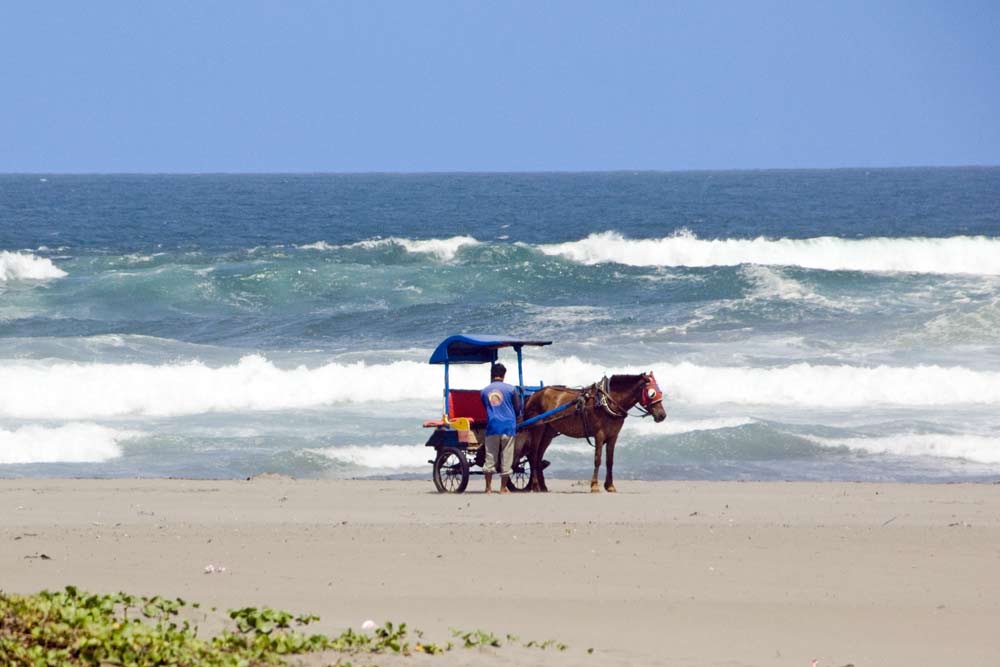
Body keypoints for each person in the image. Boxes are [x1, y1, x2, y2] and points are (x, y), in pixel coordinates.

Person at [480, 362, 521, 494]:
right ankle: (503, 488)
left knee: (490, 457)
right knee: (506, 457)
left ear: (492, 374)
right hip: (508, 427)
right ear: (504, 375)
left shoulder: (484, 391)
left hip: (492, 426)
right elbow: (518, 407)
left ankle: (488, 488)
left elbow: (485, 406)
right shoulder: (511, 389)